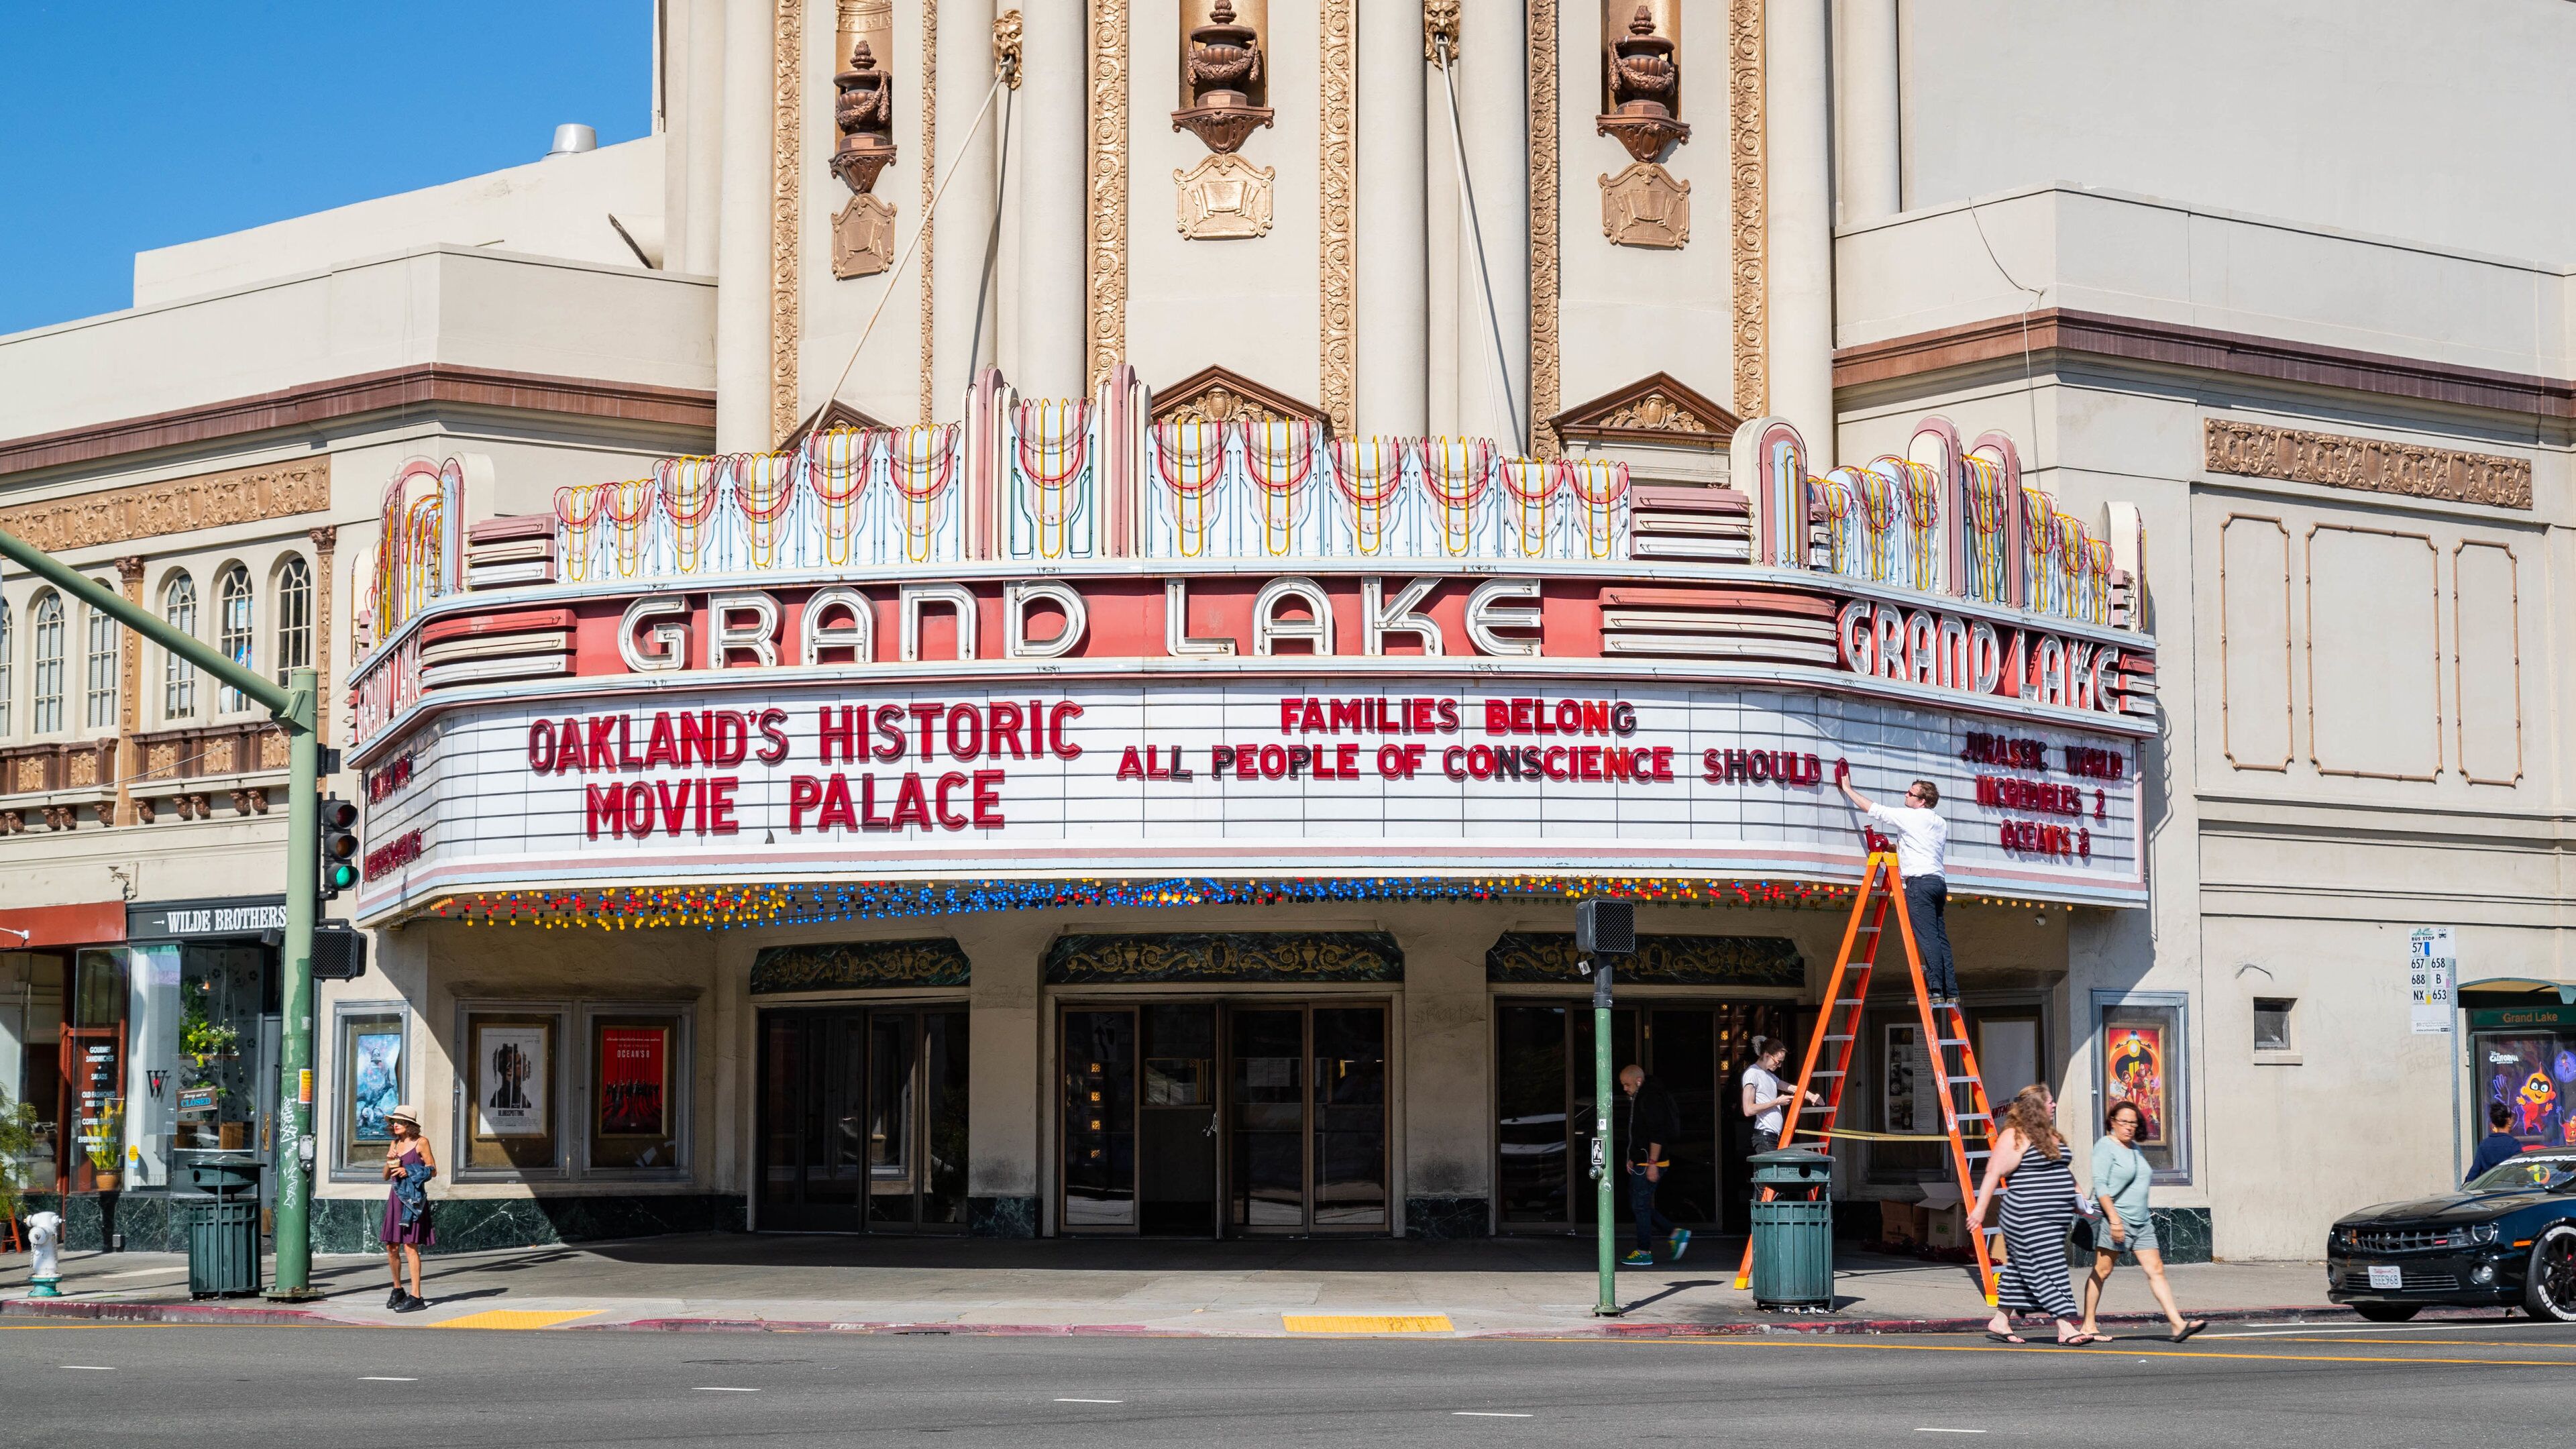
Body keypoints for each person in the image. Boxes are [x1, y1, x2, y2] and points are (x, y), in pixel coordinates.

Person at [1971, 1084, 2099, 1345]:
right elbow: (1993, 1172)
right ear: (2035, 1106)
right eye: (2049, 1101)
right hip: (2025, 1216)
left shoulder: (2050, 1134)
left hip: (2053, 1219)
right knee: (2046, 1268)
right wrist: (1980, 1210)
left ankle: (2000, 1320)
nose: (2054, 1105)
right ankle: (2065, 1326)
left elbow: (2062, 1171)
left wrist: (2080, 1198)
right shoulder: (2015, 1135)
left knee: (2022, 1268)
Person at [2078, 1099, 2206, 1342]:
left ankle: (2178, 1324)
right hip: (2117, 1219)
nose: (2129, 1127)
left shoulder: (2135, 1148)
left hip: (2142, 1222)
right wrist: (2115, 1220)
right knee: (2102, 1271)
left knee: (2156, 1270)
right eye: (2124, 1122)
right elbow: (2101, 1186)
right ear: (2112, 1122)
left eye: (2133, 1123)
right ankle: (2088, 1325)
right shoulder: (2105, 1146)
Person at [1838, 773, 1957, 1002]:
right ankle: (1950, 990)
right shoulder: (1940, 822)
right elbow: (1920, 846)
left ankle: (1935, 990)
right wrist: (1895, 847)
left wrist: (1848, 789)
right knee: (1940, 938)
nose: (1906, 795)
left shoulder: (1911, 816)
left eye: (1911, 793)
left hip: (1920, 884)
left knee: (1927, 937)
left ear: (1922, 801)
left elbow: (1875, 810)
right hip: (1938, 883)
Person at [1619, 1064, 1688, 1266]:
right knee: (1639, 1205)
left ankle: (1644, 1251)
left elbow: (1657, 1134)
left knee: (1640, 1206)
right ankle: (1675, 1234)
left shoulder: (1650, 1098)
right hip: (1643, 1160)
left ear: (1638, 1081)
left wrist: (1652, 1163)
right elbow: (1640, 1133)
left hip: (1650, 1162)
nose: (1625, 1088)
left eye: (1627, 1084)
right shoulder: (1643, 1096)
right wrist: (1633, 1156)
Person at [380, 1104, 437, 1312]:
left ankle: (416, 1296)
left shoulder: (421, 1142)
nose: (395, 1125)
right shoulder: (395, 1143)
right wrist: (390, 1161)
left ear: (409, 1124)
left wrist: (409, 1171)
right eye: (393, 1122)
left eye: (399, 1122)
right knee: (391, 1247)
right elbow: (386, 1176)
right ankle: (398, 1289)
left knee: (410, 1246)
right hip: (396, 1198)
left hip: (413, 1201)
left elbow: (433, 1171)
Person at [1739, 1035, 1821, 1157]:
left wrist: (1811, 1096)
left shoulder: (1769, 1076)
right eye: (1778, 1062)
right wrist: (1777, 1102)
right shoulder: (1752, 1074)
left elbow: (1790, 1087)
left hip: (1773, 1137)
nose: (1779, 1066)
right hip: (1764, 1137)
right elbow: (1748, 1110)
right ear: (1767, 1056)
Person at [2468, 1100, 2522, 1181]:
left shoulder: (2484, 1145)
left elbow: (2473, 1174)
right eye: (2512, 1118)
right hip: (2509, 1188)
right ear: (2509, 1121)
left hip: (2489, 1188)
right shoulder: (2513, 1144)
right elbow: (2520, 1174)